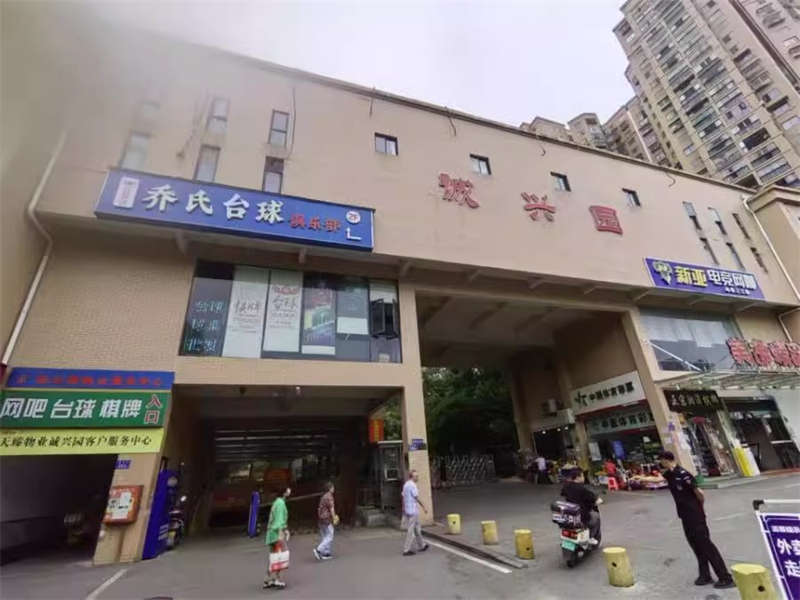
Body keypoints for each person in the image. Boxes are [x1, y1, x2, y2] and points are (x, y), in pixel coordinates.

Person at [658, 451, 735, 589]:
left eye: (661, 460)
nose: (660, 463)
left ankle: (725, 577)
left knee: (706, 545)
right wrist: (639, 477)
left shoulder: (684, 474)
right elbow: (657, 479)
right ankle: (705, 575)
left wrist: (699, 509)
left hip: (695, 515)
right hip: (685, 516)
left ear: (666, 460)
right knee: (696, 545)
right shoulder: (671, 474)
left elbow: (700, 493)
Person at [560, 468, 602, 544]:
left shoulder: (566, 486)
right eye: (582, 476)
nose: (583, 477)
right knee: (596, 517)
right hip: (582, 515)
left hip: (570, 514)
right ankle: (590, 537)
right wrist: (598, 500)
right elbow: (594, 499)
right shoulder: (583, 489)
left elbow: (563, 493)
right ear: (577, 477)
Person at [263, 487, 291, 590]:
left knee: (274, 557)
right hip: (276, 533)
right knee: (281, 556)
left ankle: (267, 579)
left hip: (271, 533)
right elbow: (279, 521)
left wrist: (285, 529)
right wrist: (281, 534)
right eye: (288, 489)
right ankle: (277, 579)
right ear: (284, 492)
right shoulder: (280, 503)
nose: (289, 490)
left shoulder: (277, 502)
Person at [401, 469, 429, 556]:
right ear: (412, 477)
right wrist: (424, 506)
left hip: (408, 510)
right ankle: (406, 550)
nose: (417, 477)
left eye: (417, 476)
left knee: (417, 528)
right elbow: (417, 498)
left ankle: (422, 545)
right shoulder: (413, 485)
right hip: (413, 511)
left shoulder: (406, 484)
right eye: (416, 476)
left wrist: (403, 508)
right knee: (411, 531)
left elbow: (403, 496)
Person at [313, 481, 338, 561]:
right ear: (330, 488)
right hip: (327, 518)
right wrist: (334, 517)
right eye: (333, 487)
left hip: (321, 518)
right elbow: (331, 508)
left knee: (324, 535)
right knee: (330, 535)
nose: (334, 489)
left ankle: (326, 553)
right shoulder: (329, 497)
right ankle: (319, 550)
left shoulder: (324, 496)